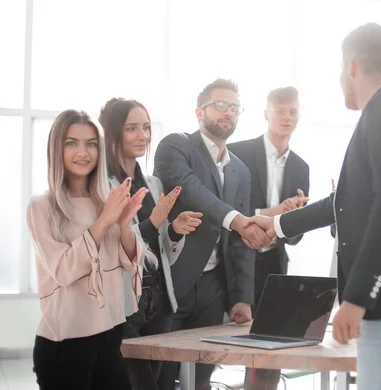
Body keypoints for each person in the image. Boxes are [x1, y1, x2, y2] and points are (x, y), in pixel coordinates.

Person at [249, 23, 381, 390]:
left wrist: (357, 296)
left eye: (341, 70)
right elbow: (341, 204)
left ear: (352, 66)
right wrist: (273, 225)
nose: (341, 79)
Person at [153, 79, 270, 390]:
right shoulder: (175, 146)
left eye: (234, 108)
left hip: (214, 288)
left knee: (203, 376)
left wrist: (243, 297)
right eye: (220, 105)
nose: (228, 112)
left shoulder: (241, 171)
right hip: (172, 282)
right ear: (198, 112)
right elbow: (191, 190)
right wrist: (236, 219)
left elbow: (240, 243)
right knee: (162, 375)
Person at [28, 109, 146, 389]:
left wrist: (125, 225)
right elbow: (63, 270)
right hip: (64, 344)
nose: (83, 152)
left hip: (109, 336)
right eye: (72, 143)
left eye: (91, 143)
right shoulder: (42, 206)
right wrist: (105, 221)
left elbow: (128, 264)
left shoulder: (106, 201)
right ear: (57, 149)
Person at [99, 98, 203, 390]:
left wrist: (174, 232)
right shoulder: (103, 186)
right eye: (132, 128)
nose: (142, 135)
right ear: (113, 133)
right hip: (124, 305)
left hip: (160, 304)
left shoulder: (154, 184)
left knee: (160, 384)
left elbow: (162, 254)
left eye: (145, 127)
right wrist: (153, 223)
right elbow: (111, 247)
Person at [228, 86, 309, 390]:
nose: (287, 117)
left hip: (274, 264)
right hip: (237, 261)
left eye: (292, 112)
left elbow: (296, 237)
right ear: (266, 114)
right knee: (225, 344)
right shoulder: (239, 152)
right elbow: (231, 209)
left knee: (270, 352)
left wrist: (294, 217)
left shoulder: (302, 167)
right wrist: (277, 212)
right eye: (281, 110)